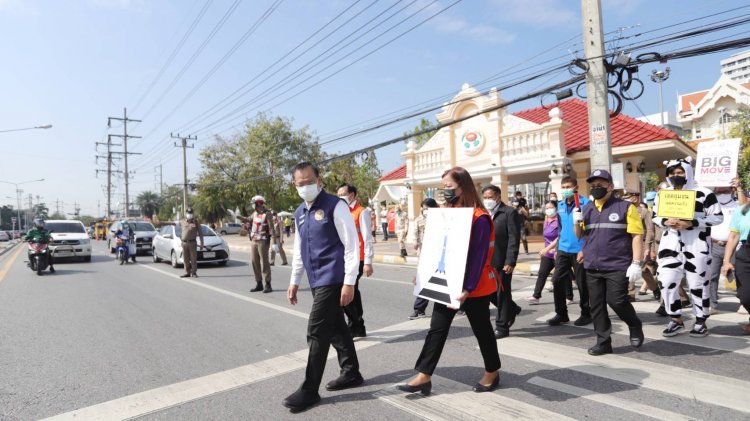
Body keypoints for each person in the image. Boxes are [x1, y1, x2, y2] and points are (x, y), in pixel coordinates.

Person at [398, 167, 500, 395]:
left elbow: (478, 257)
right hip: (447, 281)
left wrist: (467, 288)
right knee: (437, 328)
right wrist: (423, 272)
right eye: (442, 187)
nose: (445, 191)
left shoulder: (479, 218)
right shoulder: (444, 213)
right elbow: (434, 248)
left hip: (474, 286)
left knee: (482, 329)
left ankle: (492, 372)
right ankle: (424, 375)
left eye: (449, 187)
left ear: (463, 186)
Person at [283, 162, 363, 413]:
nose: (305, 187)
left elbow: (352, 246)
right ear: (294, 185)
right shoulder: (299, 212)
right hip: (315, 279)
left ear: (319, 180)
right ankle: (351, 372)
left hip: (333, 277)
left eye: (309, 181)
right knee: (337, 327)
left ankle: (309, 390)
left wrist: (349, 281)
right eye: (300, 184)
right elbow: (299, 249)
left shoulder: (335, 206)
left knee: (316, 331)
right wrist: (294, 280)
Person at [573, 169, 644, 356]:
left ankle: (634, 324)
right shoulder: (586, 208)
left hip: (617, 264)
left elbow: (637, 236)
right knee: (596, 305)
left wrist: (637, 262)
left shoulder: (626, 207)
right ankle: (603, 342)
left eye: (600, 185)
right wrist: (576, 222)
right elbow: (582, 236)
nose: (596, 188)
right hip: (592, 265)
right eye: (593, 185)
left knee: (617, 300)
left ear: (610, 187)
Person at [653, 158, 723, 338]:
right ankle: (675, 318)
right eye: (672, 173)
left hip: (697, 245)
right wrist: (665, 221)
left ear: (688, 172)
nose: (676, 176)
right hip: (670, 245)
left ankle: (700, 321)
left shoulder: (704, 193)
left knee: (697, 285)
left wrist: (692, 222)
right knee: (666, 281)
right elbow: (655, 216)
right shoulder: (663, 194)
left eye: (680, 173)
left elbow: (717, 218)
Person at [549, 176, 592, 326]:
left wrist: (585, 248)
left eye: (568, 187)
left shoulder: (586, 204)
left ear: (576, 188)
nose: (566, 190)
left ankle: (586, 313)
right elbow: (560, 229)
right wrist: (557, 247)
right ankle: (561, 314)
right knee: (557, 281)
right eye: (563, 187)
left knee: (582, 284)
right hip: (563, 249)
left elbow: (591, 230)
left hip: (580, 250)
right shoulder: (560, 205)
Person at [482, 185, 523, 339]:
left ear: (498, 197)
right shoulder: (484, 213)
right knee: (490, 293)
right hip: (486, 261)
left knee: (502, 294)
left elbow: (514, 238)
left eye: (490, 197)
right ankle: (512, 309)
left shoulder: (509, 212)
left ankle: (502, 327)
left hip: (502, 260)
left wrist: (510, 261)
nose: (487, 200)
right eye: (485, 198)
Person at [337, 183, 374, 338]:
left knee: (347, 289)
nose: (339, 197)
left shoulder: (361, 212)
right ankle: (357, 325)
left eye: (342, 194)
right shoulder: (341, 211)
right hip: (345, 258)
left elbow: (367, 238)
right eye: (337, 195)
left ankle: (355, 325)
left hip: (357, 259)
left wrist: (368, 261)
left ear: (351, 195)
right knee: (352, 292)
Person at [707, 181, 740, 314]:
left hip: (734, 247)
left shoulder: (738, 206)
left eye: (725, 191)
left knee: (740, 276)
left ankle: (744, 303)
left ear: (732, 191)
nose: (722, 194)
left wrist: (739, 186)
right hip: (714, 245)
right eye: (719, 192)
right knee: (712, 275)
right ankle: (712, 304)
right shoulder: (711, 207)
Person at [622, 191, 659, 302]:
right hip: (627, 243)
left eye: (629, 197)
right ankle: (631, 293)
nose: (627, 200)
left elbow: (649, 230)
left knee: (643, 270)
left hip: (641, 243)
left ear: (636, 198)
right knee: (632, 268)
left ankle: (655, 289)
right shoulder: (624, 210)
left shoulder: (644, 211)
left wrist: (648, 247)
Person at [721, 192, 750, 334]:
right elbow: (733, 237)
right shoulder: (742, 211)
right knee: (745, 295)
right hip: (745, 253)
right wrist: (726, 261)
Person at [409, 198, 439, 319]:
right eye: (423, 208)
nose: (425, 210)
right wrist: (415, 243)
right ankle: (419, 309)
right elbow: (415, 232)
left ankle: (459, 307)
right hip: (424, 252)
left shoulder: (441, 217)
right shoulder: (419, 219)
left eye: (427, 208)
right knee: (424, 280)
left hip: (439, 253)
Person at [528, 201, 560, 304]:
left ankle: (569, 297)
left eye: (551, 207)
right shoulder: (546, 220)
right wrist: (545, 249)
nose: (548, 210)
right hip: (547, 253)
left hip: (558, 252)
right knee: (542, 273)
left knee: (563, 275)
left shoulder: (560, 220)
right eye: (546, 208)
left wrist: (551, 249)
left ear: (556, 208)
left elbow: (560, 236)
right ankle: (536, 296)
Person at [239, 196, 273, 293]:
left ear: (258, 203)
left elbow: (271, 228)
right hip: (254, 240)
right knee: (254, 262)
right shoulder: (255, 213)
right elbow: (247, 219)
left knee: (265, 262)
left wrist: (274, 242)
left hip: (263, 240)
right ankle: (259, 283)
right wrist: (238, 216)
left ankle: (268, 284)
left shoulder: (267, 213)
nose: (252, 205)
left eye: (254, 203)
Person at [180, 208, 204, 278]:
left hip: (192, 243)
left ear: (192, 214)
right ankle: (187, 272)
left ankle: (194, 272)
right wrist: (160, 222)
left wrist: (202, 243)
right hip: (184, 243)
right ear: (186, 213)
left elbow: (200, 233)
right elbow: (172, 223)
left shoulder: (196, 222)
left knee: (193, 259)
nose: (189, 214)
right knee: (185, 259)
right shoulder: (182, 221)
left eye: (190, 213)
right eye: (188, 213)